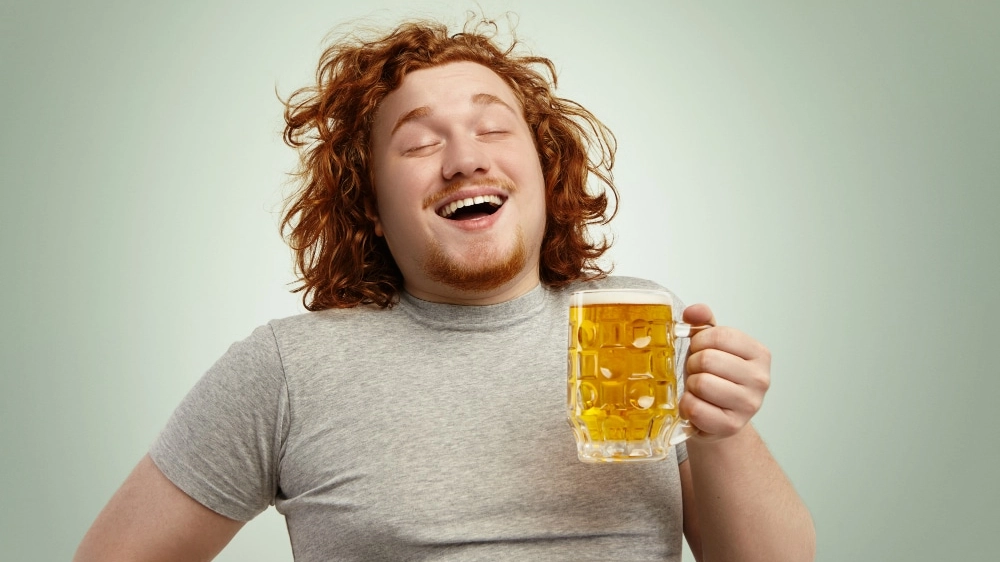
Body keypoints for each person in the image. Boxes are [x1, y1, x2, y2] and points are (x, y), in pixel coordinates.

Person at [75, 16, 816, 562]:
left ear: (544, 168)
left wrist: (724, 430)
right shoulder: (284, 370)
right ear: (368, 202)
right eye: (421, 143)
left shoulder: (633, 322)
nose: (464, 159)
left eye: (495, 131)